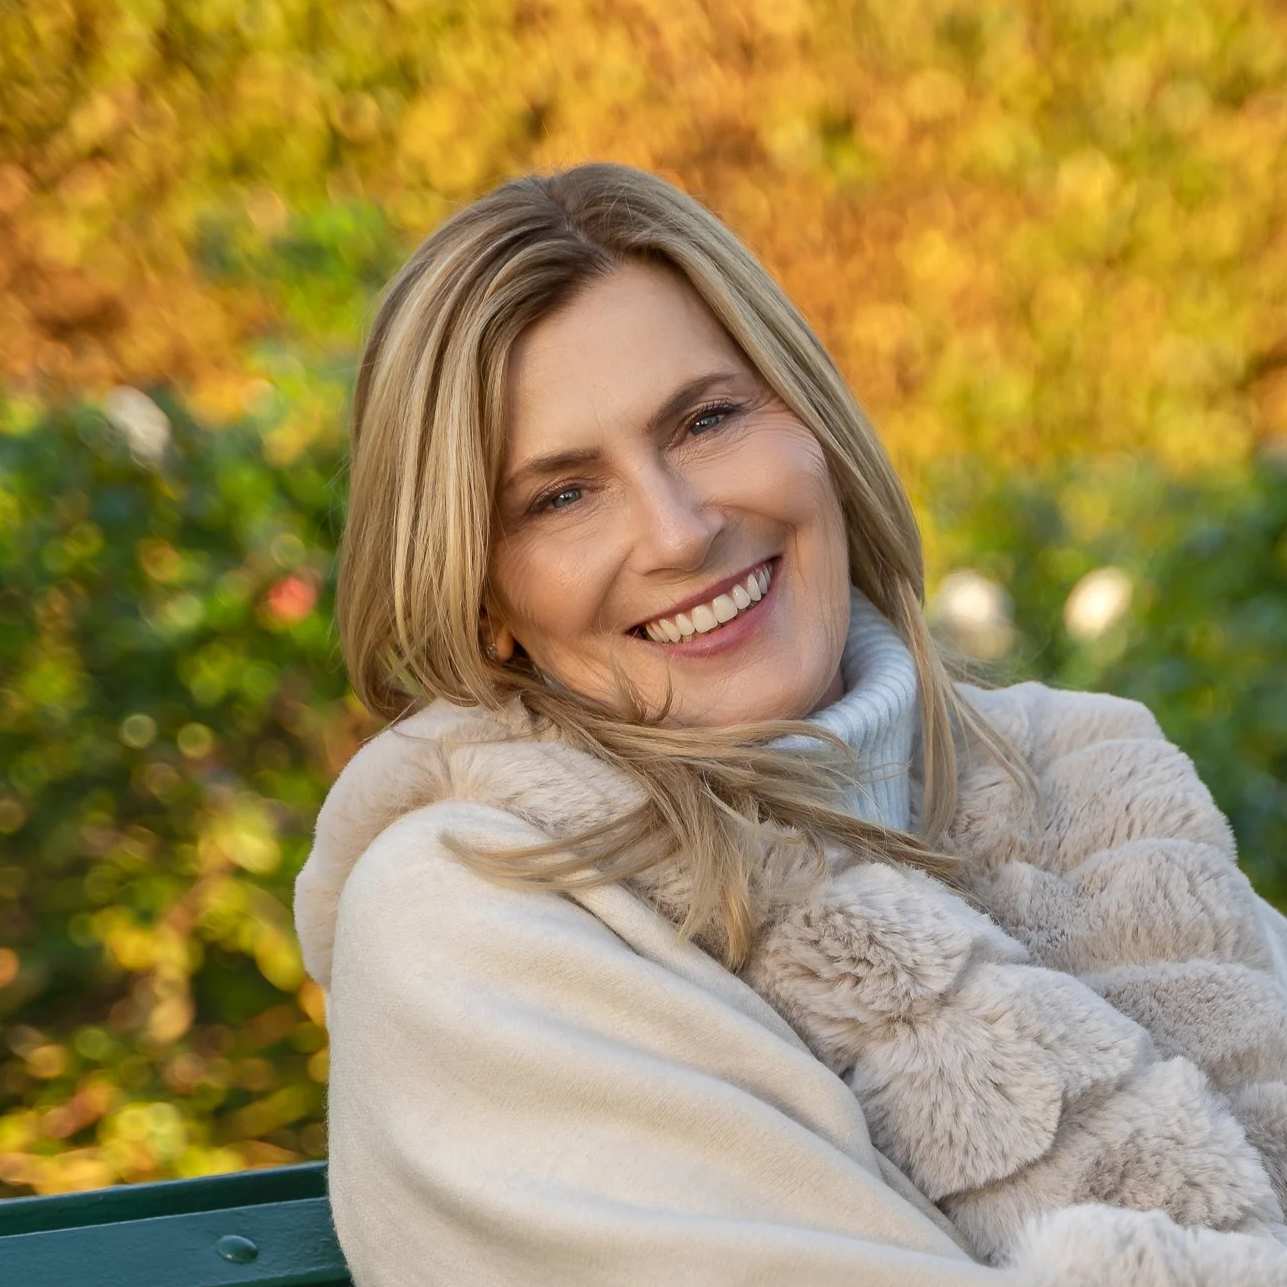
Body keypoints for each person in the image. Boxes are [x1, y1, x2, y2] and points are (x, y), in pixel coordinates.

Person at [292, 163, 1287, 1286]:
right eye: (562, 496)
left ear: (813, 424)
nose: (678, 530)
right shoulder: (479, 902)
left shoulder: (1081, 793)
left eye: (707, 419)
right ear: (484, 599)